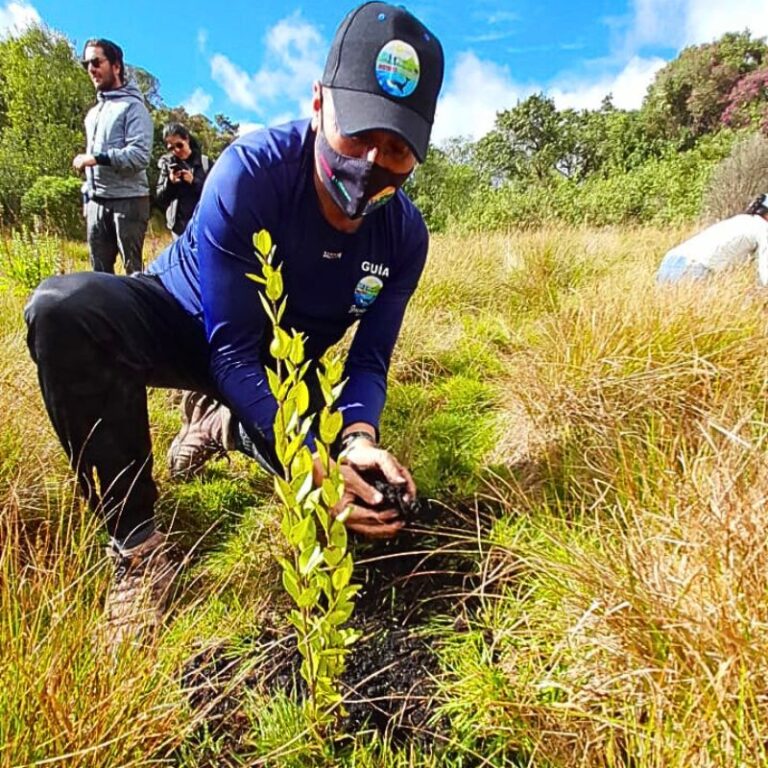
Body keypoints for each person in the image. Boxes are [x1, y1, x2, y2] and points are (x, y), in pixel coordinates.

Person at [25, 1, 444, 645]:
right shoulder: (252, 172)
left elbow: (368, 361)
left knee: (360, 488)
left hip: (278, 360)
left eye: (397, 149)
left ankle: (224, 425)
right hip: (185, 322)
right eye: (359, 134)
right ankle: (137, 548)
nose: (372, 163)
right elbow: (228, 355)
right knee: (65, 312)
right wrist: (305, 460)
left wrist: (355, 439)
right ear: (318, 102)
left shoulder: (403, 238)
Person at [73, 38, 153, 274]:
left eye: (96, 61)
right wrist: (88, 198)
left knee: (133, 275)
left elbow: (139, 156)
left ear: (116, 66)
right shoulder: (92, 114)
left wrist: (97, 158)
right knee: (99, 278)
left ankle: (138, 312)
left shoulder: (133, 108)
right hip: (97, 202)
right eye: (86, 63)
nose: (91, 69)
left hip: (130, 201)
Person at [656, 194, 768, 284]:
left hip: (669, 262)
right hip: (692, 269)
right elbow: (765, 277)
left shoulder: (742, 220)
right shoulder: (764, 229)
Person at [155, 123, 212, 238]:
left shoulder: (205, 163)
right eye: (171, 148)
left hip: (201, 225)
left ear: (187, 139)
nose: (176, 150)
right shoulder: (168, 164)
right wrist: (170, 183)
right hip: (178, 228)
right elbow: (160, 199)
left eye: (179, 145)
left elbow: (213, 195)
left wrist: (193, 181)